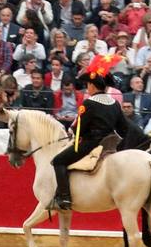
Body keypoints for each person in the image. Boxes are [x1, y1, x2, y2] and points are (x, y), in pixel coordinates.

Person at [51, 53, 129, 210]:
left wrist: (73, 134)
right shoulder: (114, 103)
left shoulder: (89, 103)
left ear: (93, 86)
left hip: (90, 144)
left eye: (88, 84)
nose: (87, 87)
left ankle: (64, 198)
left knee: (58, 161)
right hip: (110, 144)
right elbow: (124, 129)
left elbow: (78, 128)